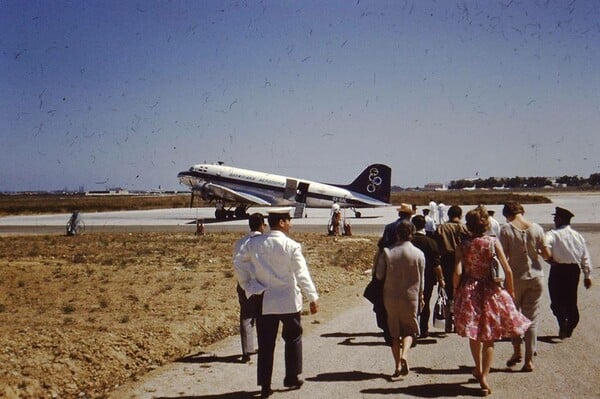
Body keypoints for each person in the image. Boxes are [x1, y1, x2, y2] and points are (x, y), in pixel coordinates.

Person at [234, 207, 319, 398]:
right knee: (293, 338)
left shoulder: (254, 243)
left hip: (265, 301)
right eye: (289, 220)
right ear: (281, 222)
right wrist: (312, 297)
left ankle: (265, 385)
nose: (290, 224)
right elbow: (301, 274)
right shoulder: (292, 245)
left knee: (265, 344)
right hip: (289, 301)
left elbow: (239, 262)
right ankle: (292, 376)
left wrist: (248, 284)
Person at [453, 206, 531, 395]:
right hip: (490, 290)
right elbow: (508, 270)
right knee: (489, 337)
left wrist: (456, 291)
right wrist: (510, 292)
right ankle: (484, 376)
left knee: (474, 334)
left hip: (470, 289)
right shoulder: (492, 242)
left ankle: (478, 368)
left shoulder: (463, 245)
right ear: (486, 223)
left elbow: (458, 271)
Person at [499, 202, 551, 372]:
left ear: (507, 214)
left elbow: (503, 256)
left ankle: (517, 351)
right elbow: (546, 254)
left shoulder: (506, 229)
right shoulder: (536, 228)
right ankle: (529, 360)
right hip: (536, 276)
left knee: (514, 317)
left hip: (515, 278)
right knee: (531, 320)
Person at [374, 220, 424, 378]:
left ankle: (396, 366)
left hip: (391, 296)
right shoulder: (419, 254)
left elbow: (379, 275)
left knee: (394, 331)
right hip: (411, 296)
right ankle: (405, 354)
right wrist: (421, 296)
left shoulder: (388, 252)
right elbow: (422, 280)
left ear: (397, 233)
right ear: (412, 233)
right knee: (409, 330)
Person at [544, 206, 593, 339]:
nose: (554, 220)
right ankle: (568, 325)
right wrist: (587, 275)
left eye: (555, 217)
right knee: (571, 300)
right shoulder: (577, 236)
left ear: (560, 219)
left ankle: (564, 324)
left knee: (556, 300)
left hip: (558, 269)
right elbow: (585, 257)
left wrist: (548, 259)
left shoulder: (552, 234)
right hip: (573, 270)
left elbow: (544, 247)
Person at [232, 213, 266, 363]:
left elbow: (237, 263)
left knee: (246, 317)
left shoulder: (240, 243)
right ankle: (264, 346)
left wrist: (244, 283)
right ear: (262, 225)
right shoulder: (264, 242)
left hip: (245, 284)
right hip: (262, 284)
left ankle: (246, 351)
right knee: (263, 318)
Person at [434, 205, 468, 332]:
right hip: (462, 262)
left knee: (446, 292)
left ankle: (447, 320)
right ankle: (459, 322)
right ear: (460, 215)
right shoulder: (465, 228)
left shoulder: (441, 228)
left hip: (446, 262)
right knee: (461, 292)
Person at [411, 215, 444, 338]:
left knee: (412, 304)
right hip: (428, 278)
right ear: (424, 225)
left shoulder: (409, 241)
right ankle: (424, 329)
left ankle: (412, 328)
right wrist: (441, 279)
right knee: (426, 302)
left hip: (411, 278)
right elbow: (437, 264)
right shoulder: (431, 242)